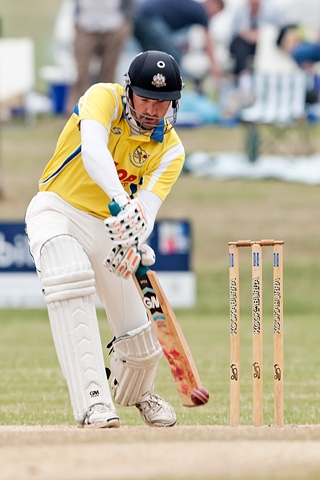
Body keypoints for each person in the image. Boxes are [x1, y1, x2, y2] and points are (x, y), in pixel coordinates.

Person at [25, 50, 185, 428]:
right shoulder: (103, 97)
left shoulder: (171, 149)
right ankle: (93, 402)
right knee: (70, 278)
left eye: (161, 103)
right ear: (129, 91)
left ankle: (139, 393)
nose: (151, 109)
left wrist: (136, 233)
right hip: (58, 209)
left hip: (109, 231)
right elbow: (94, 152)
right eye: (144, 98)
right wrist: (120, 199)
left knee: (142, 343)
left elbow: (147, 208)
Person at [67, 0, 134, 114]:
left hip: (114, 25)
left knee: (108, 75)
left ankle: (107, 112)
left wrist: (126, 21)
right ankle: (75, 114)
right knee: (81, 74)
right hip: (85, 25)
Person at [133, 0, 224, 81]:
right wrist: (214, 66)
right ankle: (173, 89)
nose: (213, 16)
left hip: (137, 15)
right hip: (150, 18)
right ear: (213, 4)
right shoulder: (201, 10)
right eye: (216, 12)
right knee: (172, 59)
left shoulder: (192, 7)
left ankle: (145, 86)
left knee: (148, 59)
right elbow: (208, 42)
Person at [229, 0, 287, 101]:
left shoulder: (272, 9)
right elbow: (234, 32)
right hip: (246, 45)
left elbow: (281, 29)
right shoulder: (240, 9)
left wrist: (262, 34)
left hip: (267, 45)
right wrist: (248, 34)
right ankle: (245, 82)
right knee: (238, 45)